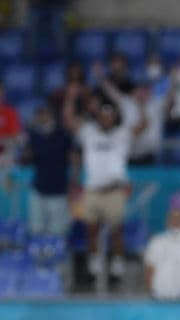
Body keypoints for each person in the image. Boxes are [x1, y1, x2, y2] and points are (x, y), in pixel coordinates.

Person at [62, 83, 145, 287]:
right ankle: (94, 266)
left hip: (115, 191)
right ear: (98, 117)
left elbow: (144, 125)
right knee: (91, 230)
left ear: (114, 118)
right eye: (103, 115)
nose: (107, 119)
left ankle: (117, 268)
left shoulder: (122, 135)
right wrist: (71, 98)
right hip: (92, 191)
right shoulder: (89, 133)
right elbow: (68, 120)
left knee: (116, 231)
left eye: (110, 116)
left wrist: (140, 105)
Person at [24, 104, 73, 239]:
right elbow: (26, 159)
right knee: (36, 229)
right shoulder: (34, 135)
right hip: (39, 188)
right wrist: (26, 138)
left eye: (44, 113)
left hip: (58, 189)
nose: (41, 116)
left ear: (51, 115)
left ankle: (57, 259)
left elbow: (74, 159)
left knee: (58, 230)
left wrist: (73, 181)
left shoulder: (63, 135)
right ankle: (38, 259)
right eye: (39, 114)